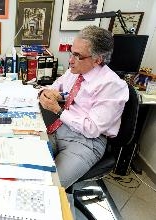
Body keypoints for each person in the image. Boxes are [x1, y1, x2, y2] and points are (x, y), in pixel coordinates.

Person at [39, 26, 129, 189]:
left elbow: (92, 128)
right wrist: (46, 93)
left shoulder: (113, 85)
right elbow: (56, 87)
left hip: (87, 141)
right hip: (60, 128)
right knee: (25, 164)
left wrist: (58, 110)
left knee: (50, 188)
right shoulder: (75, 70)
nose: (71, 60)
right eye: (71, 52)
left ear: (98, 59)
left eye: (78, 56)